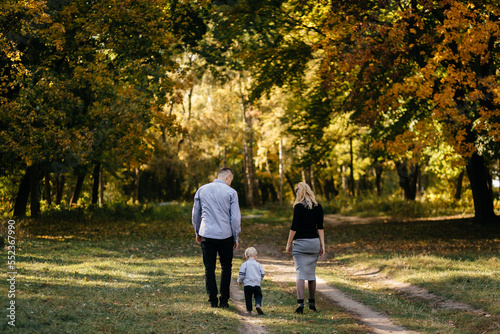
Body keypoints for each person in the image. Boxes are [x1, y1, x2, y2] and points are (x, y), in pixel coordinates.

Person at [192, 167, 241, 308]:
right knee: (226, 267)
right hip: (225, 235)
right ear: (227, 177)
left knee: (209, 268)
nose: (230, 183)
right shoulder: (231, 192)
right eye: (231, 180)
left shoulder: (202, 190)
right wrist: (235, 236)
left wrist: (197, 231)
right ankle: (224, 301)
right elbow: (235, 218)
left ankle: (212, 301)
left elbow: (196, 213)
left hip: (207, 234)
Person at [285, 182, 325, 314]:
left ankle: (300, 304)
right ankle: (312, 303)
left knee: (300, 273)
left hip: (300, 244)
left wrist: (288, 243)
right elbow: (320, 227)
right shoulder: (318, 207)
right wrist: (322, 245)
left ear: (299, 193)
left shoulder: (298, 207)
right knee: (311, 274)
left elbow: (294, 227)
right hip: (314, 243)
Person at [237, 247, 265, 315]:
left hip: (247, 285)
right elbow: (262, 273)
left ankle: (249, 310)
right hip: (256, 284)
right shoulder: (258, 265)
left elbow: (241, 274)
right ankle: (258, 304)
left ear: (246, 256)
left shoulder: (244, 264)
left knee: (248, 297)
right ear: (255, 256)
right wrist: (259, 279)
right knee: (258, 295)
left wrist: (239, 281)